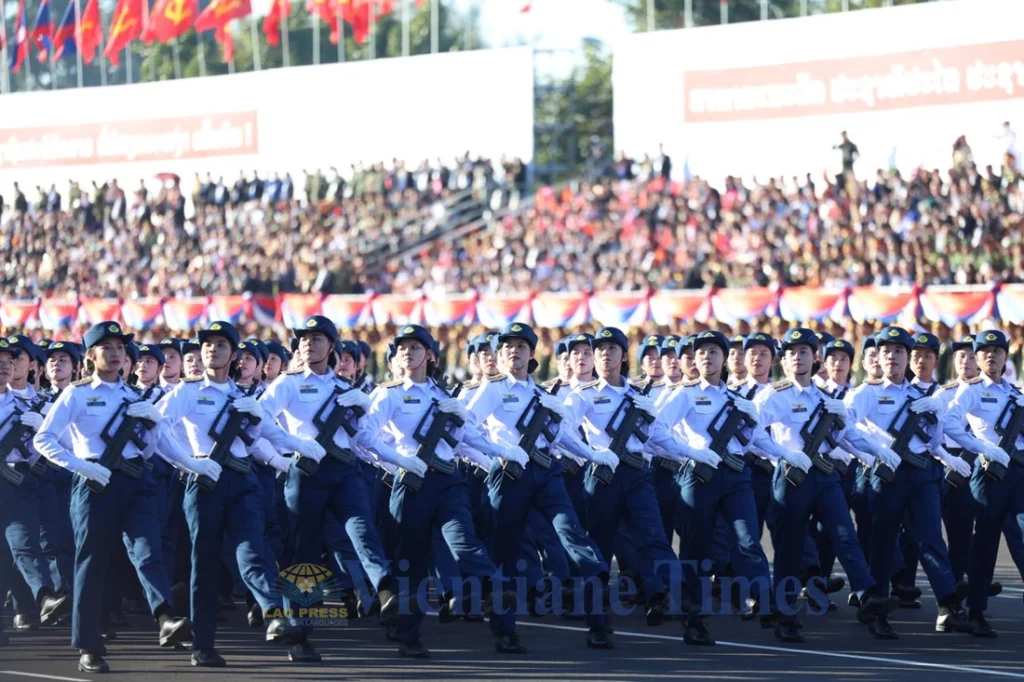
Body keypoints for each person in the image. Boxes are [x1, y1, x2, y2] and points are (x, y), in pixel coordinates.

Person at [34, 321, 192, 674]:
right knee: (91, 563)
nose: (116, 352)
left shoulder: (132, 397)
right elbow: (43, 439)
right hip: (95, 483)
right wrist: (79, 466)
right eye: (107, 347)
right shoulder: (75, 394)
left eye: (120, 347)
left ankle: (164, 615)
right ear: (90, 356)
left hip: (137, 481)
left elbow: (154, 448)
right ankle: (88, 645)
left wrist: (168, 439)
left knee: (149, 549)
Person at [356, 325, 509, 659]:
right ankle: (408, 635)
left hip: (448, 482)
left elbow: (468, 437)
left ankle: (498, 587)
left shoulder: (444, 396)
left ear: (430, 355)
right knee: (412, 562)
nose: (407, 353)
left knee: (464, 540)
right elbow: (365, 435)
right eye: (402, 348)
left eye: (415, 347)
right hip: (411, 484)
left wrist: (501, 452)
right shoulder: (389, 393)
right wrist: (398, 461)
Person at [157, 321, 304, 667]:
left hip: (243, 481)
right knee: (204, 565)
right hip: (205, 483)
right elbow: (157, 428)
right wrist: (188, 463)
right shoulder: (187, 392)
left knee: (253, 551)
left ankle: (273, 613)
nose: (212, 350)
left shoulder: (242, 397)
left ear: (234, 354)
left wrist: (300, 448)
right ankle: (203, 645)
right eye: (207, 345)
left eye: (221, 345)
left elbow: (265, 435)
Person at [259, 315, 403, 662]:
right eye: (304, 339)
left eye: (317, 338)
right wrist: (292, 444)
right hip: (306, 473)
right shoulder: (287, 384)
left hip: (344, 470)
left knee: (362, 530)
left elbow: (363, 435)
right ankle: (299, 634)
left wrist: (390, 453)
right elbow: (260, 418)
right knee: (303, 553)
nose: (309, 343)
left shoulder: (345, 390)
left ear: (332, 347)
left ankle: (384, 588)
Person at [466, 323, 615, 652]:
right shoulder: (491, 390)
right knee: (505, 550)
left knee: (571, 531)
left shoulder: (541, 396)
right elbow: (464, 427)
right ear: (500, 353)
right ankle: (504, 630)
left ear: (532, 353)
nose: (513, 351)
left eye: (521, 346)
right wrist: (497, 452)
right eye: (507, 347)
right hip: (509, 474)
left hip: (547, 472)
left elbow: (561, 436)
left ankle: (598, 612)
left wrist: (592, 454)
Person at [564, 327, 713, 641]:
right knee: (600, 551)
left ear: (623, 354)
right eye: (599, 349)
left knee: (656, 542)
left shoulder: (638, 396)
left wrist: (690, 453)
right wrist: (591, 454)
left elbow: (656, 436)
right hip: (602, 478)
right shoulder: (583, 394)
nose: (605, 354)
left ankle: (690, 615)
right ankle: (598, 624)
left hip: (637, 476)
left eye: (612, 348)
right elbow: (561, 432)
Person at [755, 328, 899, 643]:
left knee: (845, 536)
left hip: (826, 475)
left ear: (815, 357)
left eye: (804, 351)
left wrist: (878, 451)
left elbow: (847, 435)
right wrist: (783, 454)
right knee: (790, 549)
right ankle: (785, 614)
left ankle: (869, 596)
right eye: (792, 352)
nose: (797, 357)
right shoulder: (775, 395)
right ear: (785, 358)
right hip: (792, 477)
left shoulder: (826, 398)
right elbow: (752, 432)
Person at [845, 326, 970, 639]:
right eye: (887, 351)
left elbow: (934, 439)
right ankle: (876, 608)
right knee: (883, 542)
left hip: (922, 473)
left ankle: (947, 607)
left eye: (899, 351)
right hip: (888, 475)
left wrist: (938, 419)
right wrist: (874, 451)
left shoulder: (921, 396)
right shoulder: (867, 393)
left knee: (930, 537)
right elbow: (843, 427)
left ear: (907, 358)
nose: (892, 356)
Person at [659, 330, 780, 640]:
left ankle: (766, 601)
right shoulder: (684, 395)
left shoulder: (738, 401)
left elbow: (757, 439)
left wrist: (785, 455)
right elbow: (657, 429)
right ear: (695, 360)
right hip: (699, 477)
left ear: (725, 358)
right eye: (702, 352)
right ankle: (695, 617)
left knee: (749, 539)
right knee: (696, 548)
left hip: (737, 476)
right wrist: (687, 452)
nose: (707, 357)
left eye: (714, 352)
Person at [942, 329, 1024, 637]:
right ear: (977, 358)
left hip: (1018, 474)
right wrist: (980, 446)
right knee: (985, 544)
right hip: (989, 475)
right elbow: (949, 423)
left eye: (998, 351)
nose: (992, 355)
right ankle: (976, 612)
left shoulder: (1016, 394)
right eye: (985, 351)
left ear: (1006, 357)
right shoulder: (972, 390)